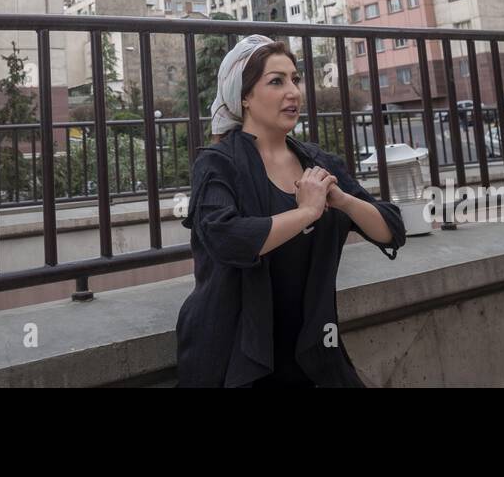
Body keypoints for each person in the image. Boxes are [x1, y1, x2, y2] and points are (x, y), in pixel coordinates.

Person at [174, 34, 407, 387]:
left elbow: (391, 230)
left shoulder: (318, 162)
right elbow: (228, 239)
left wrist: (342, 200)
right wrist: (306, 213)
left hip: (313, 350)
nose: (293, 92)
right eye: (276, 81)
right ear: (245, 97)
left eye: (295, 79)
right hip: (236, 357)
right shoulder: (217, 165)